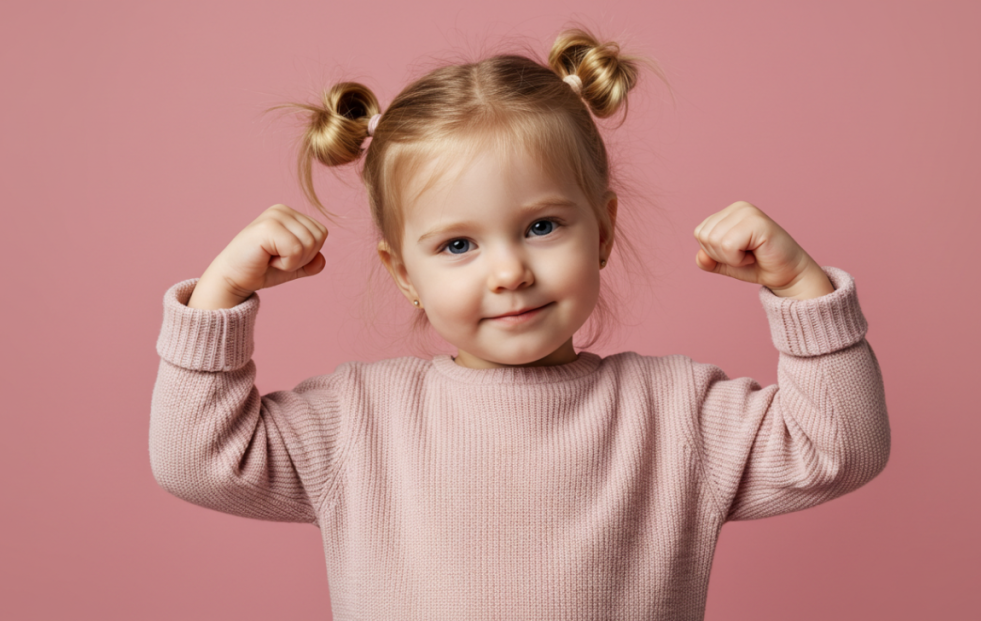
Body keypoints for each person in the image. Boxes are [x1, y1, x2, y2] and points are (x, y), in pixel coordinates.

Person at [150, 26, 890, 620]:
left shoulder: (675, 414)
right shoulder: (360, 423)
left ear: (602, 231)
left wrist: (800, 289)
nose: (508, 272)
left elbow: (839, 447)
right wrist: (220, 297)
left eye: (541, 226)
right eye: (458, 245)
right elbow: (197, 460)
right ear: (403, 272)